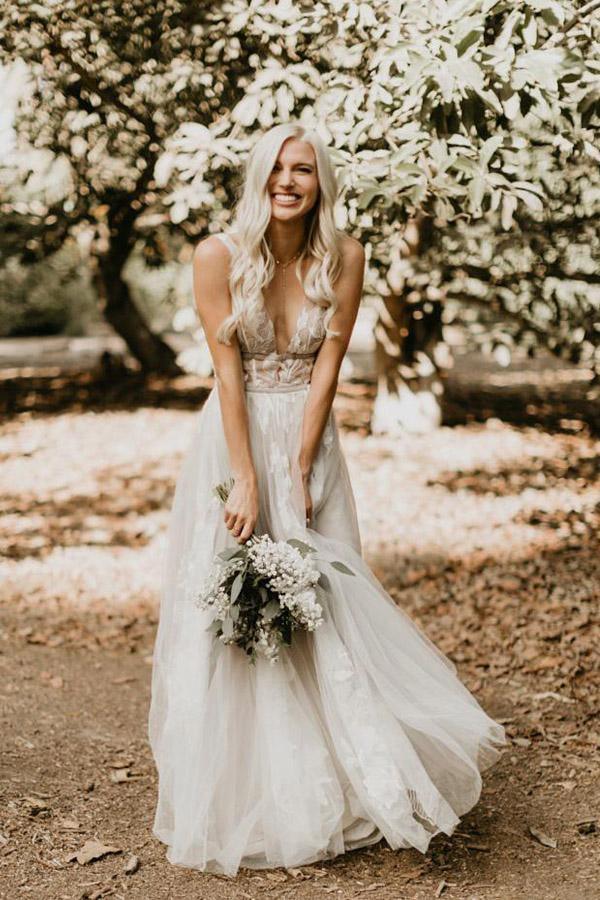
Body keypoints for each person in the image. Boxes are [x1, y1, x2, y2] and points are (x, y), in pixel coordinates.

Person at [148, 122, 505, 876]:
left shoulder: (345, 256)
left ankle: (344, 777)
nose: (288, 180)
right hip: (235, 436)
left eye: (303, 169)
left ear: (321, 183)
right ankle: (248, 787)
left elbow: (329, 365)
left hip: (310, 437)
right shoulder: (217, 256)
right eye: (277, 167)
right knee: (235, 601)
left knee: (323, 598)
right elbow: (226, 373)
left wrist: (302, 464)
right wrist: (248, 476)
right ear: (258, 177)